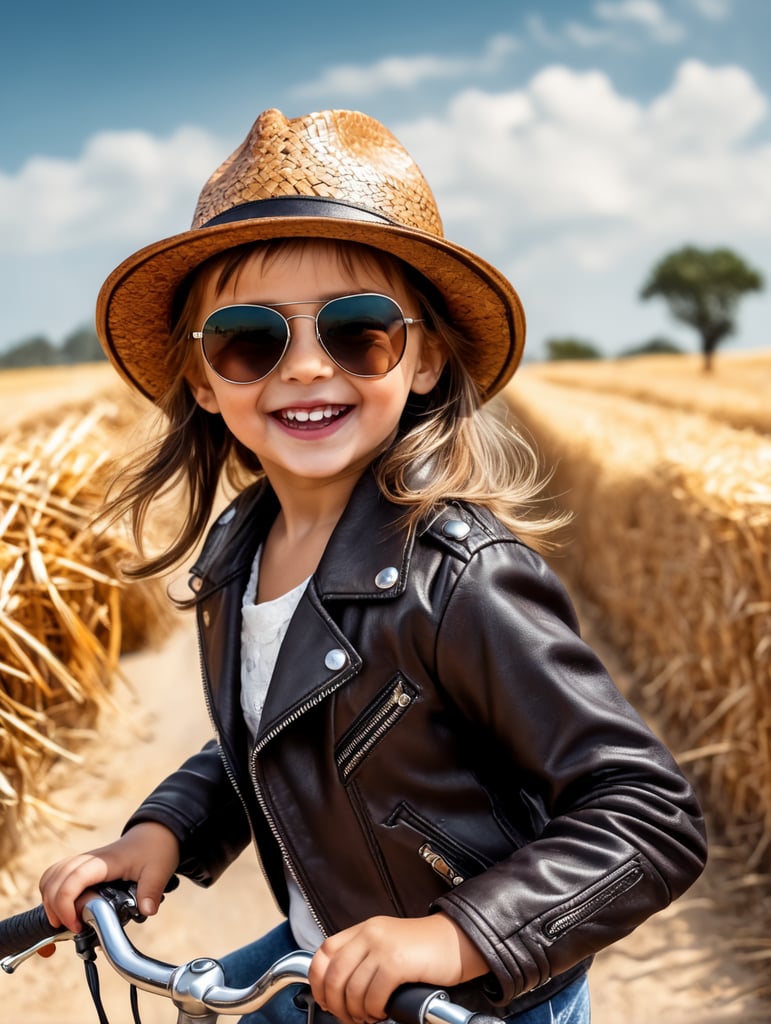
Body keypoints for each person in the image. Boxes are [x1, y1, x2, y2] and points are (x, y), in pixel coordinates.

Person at [39, 108, 706, 1024]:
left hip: (468, 1001)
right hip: (319, 960)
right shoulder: (239, 553)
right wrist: (165, 830)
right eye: (249, 338)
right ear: (202, 381)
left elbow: (648, 814)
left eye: (357, 330)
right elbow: (276, 732)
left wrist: (455, 935)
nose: (307, 367)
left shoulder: (461, 578)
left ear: (424, 358)